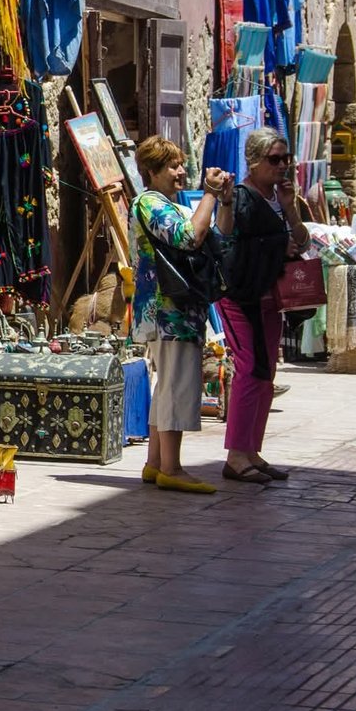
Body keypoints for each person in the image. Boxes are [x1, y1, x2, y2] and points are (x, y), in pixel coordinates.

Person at [130, 136, 232, 495]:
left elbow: (217, 236)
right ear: (152, 171)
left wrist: (222, 200)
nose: (180, 171)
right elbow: (190, 237)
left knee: (168, 385)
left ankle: (156, 463)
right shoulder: (150, 204)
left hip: (176, 310)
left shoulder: (169, 203)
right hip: (168, 310)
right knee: (178, 385)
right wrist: (209, 193)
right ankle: (172, 467)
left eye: (180, 164)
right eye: (172, 166)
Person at [216, 127, 310, 484]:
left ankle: (252, 450)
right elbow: (226, 238)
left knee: (266, 374)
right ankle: (236, 454)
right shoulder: (241, 196)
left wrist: (290, 208)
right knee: (250, 369)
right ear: (253, 162)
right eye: (274, 159)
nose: (282, 166)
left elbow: (301, 241)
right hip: (243, 296)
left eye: (286, 158)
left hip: (270, 297)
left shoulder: (280, 197)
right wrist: (276, 245)